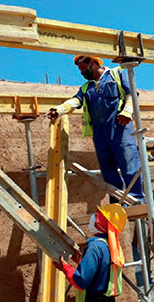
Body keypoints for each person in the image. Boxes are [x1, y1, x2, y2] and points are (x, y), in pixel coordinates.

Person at [47, 55, 144, 203]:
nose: (81, 72)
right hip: (100, 135)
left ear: (93, 63)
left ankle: (137, 200)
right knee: (108, 171)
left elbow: (131, 94)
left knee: (129, 165)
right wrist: (59, 110)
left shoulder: (116, 74)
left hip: (120, 129)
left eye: (83, 68)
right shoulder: (87, 87)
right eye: (79, 69)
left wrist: (127, 112)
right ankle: (117, 202)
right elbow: (75, 101)